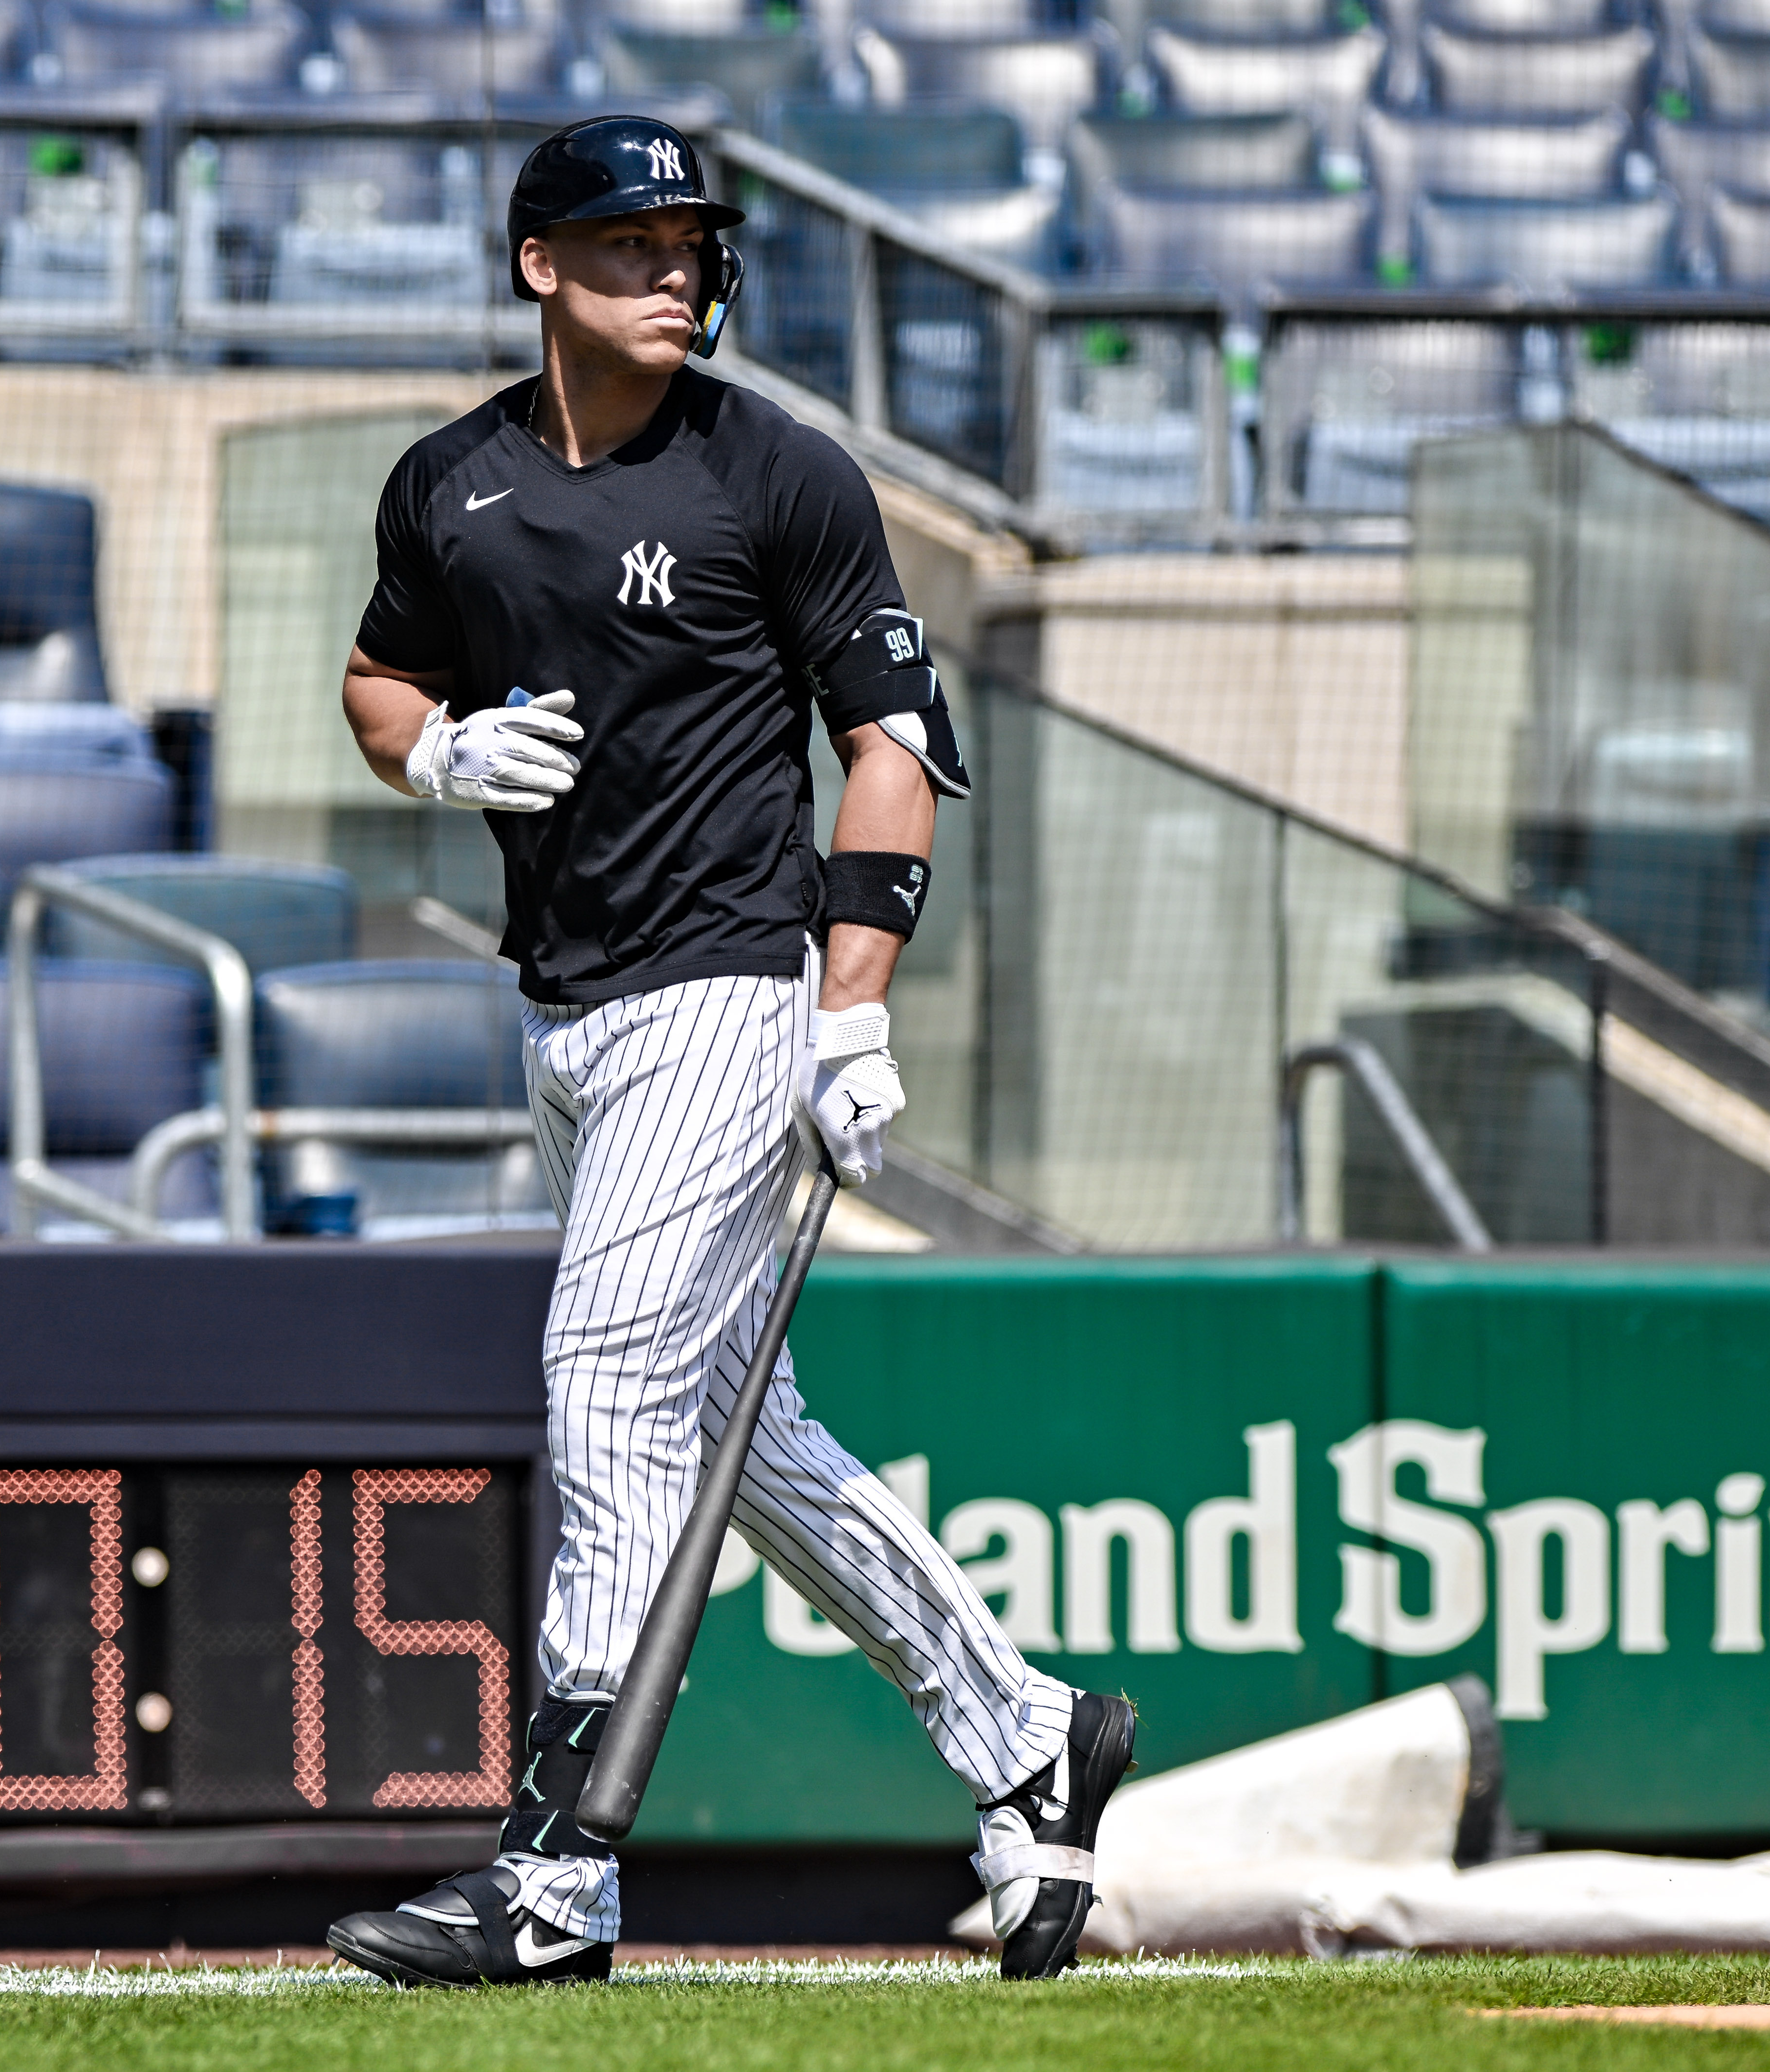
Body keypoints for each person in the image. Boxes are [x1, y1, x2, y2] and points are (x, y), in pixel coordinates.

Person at [319, 116, 1133, 1989]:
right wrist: (430, 753)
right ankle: (1026, 1732)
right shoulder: (447, 484)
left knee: (604, 1372)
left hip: (727, 990)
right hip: (561, 1009)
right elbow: (378, 674)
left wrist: (849, 1006)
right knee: (723, 1437)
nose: (678, 272)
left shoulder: (781, 473)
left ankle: (559, 1864)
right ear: (541, 267)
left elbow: (893, 749)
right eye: (633, 244)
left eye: (697, 245)